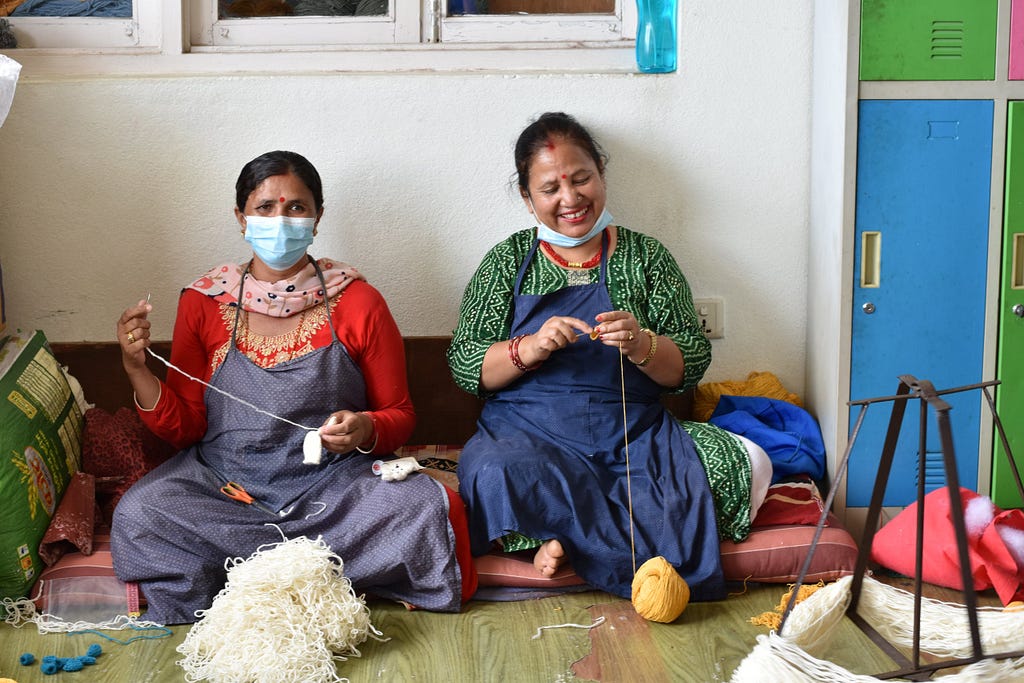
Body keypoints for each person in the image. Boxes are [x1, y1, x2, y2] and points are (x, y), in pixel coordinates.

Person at [112, 150, 476, 624]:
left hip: (332, 492)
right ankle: (311, 578)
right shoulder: (203, 302)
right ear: (241, 218)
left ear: (318, 218)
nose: (280, 220)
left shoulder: (358, 301)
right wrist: (137, 368)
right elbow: (186, 428)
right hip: (224, 488)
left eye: (296, 208)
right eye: (265, 208)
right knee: (139, 515)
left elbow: (400, 414)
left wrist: (365, 427)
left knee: (428, 505)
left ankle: (252, 579)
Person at [447, 113, 771, 602]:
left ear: (601, 172)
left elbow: (689, 366)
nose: (571, 199)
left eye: (581, 179)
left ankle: (558, 540)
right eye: (551, 188)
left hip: (634, 436)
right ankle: (600, 545)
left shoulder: (646, 258)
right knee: (490, 470)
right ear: (527, 197)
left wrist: (642, 344)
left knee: (745, 460)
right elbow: (467, 365)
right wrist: (528, 347)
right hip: (531, 436)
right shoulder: (507, 261)